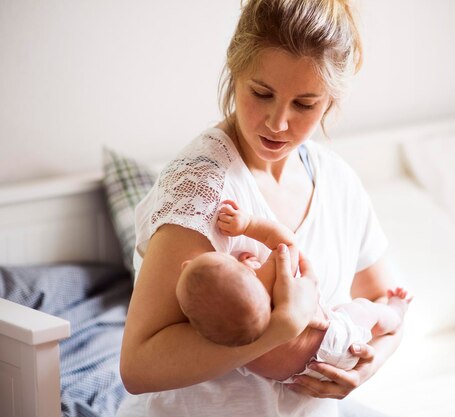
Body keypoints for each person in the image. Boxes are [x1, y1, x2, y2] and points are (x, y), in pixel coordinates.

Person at [117, 1, 403, 416]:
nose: (277, 122)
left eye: (304, 104)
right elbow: (138, 367)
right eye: (261, 93)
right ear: (235, 73)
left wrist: (368, 366)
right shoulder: (202, 187)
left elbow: (384, 298)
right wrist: (278, 331)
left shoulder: (337, 181)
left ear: (331, 102)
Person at [176, 200, 411, 382]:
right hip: (336, 343)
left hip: (300, 376)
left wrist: (251, 268)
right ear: (247, 274)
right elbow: (287, 243)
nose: (184, 264)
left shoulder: (223, 338)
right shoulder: (265, 288)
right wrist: (248, 224)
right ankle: (395, 313)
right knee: (365, 310)